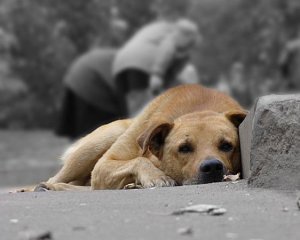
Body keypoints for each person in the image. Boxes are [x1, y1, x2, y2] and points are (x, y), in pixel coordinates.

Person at [112, 18, 200, 116]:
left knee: (130, 111)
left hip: (120, 65)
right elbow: (167, 48)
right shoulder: (174, 36)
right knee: (140, 111)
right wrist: (157, 74)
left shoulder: (160, 29)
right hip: (142, 64)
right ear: (186, 36)